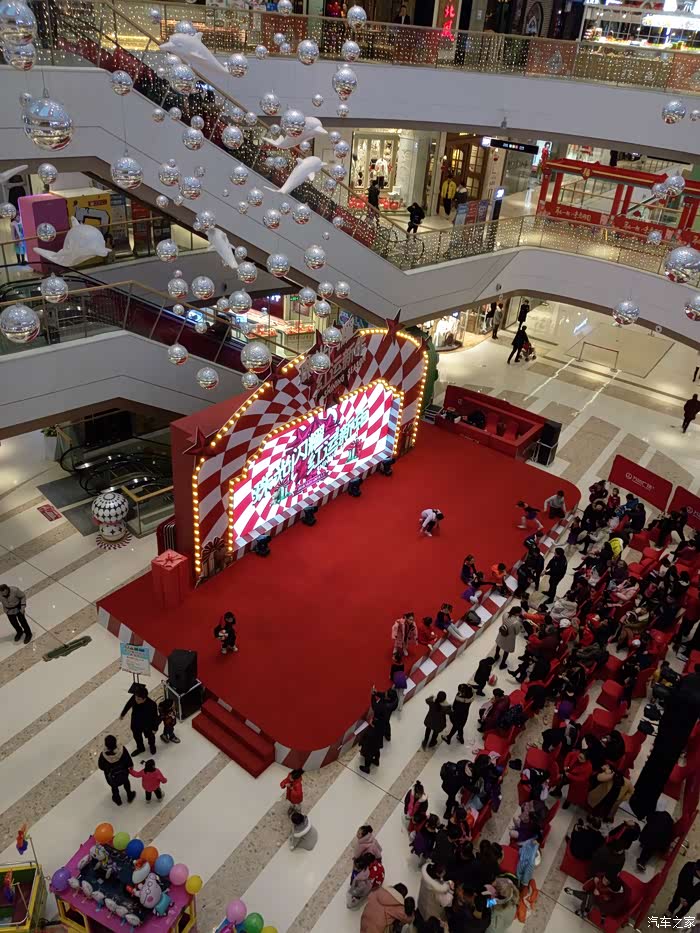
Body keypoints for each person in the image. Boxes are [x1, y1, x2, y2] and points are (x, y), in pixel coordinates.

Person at [120, 684, 159, 756]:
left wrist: (155, 728)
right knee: (137, 737)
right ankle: (140, 748)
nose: (136, 700)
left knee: (151, 737)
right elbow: (128, 704)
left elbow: (155, 717)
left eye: (138, 699)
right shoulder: (135, 697)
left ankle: (152, 745)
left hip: (147, 724)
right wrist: (123, 714)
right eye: (136, 697)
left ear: (144, 699)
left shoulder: (152, 705)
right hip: (136, 723)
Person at [98, 734, 135, 806]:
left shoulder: (103, 755)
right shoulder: (122, 750)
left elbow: (101, 766)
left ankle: (117, 800)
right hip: (124, 773)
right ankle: (129, 795)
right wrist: (130, 766)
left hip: (111, 777)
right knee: (126, 782)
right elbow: (128, 760)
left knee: (114, 787)